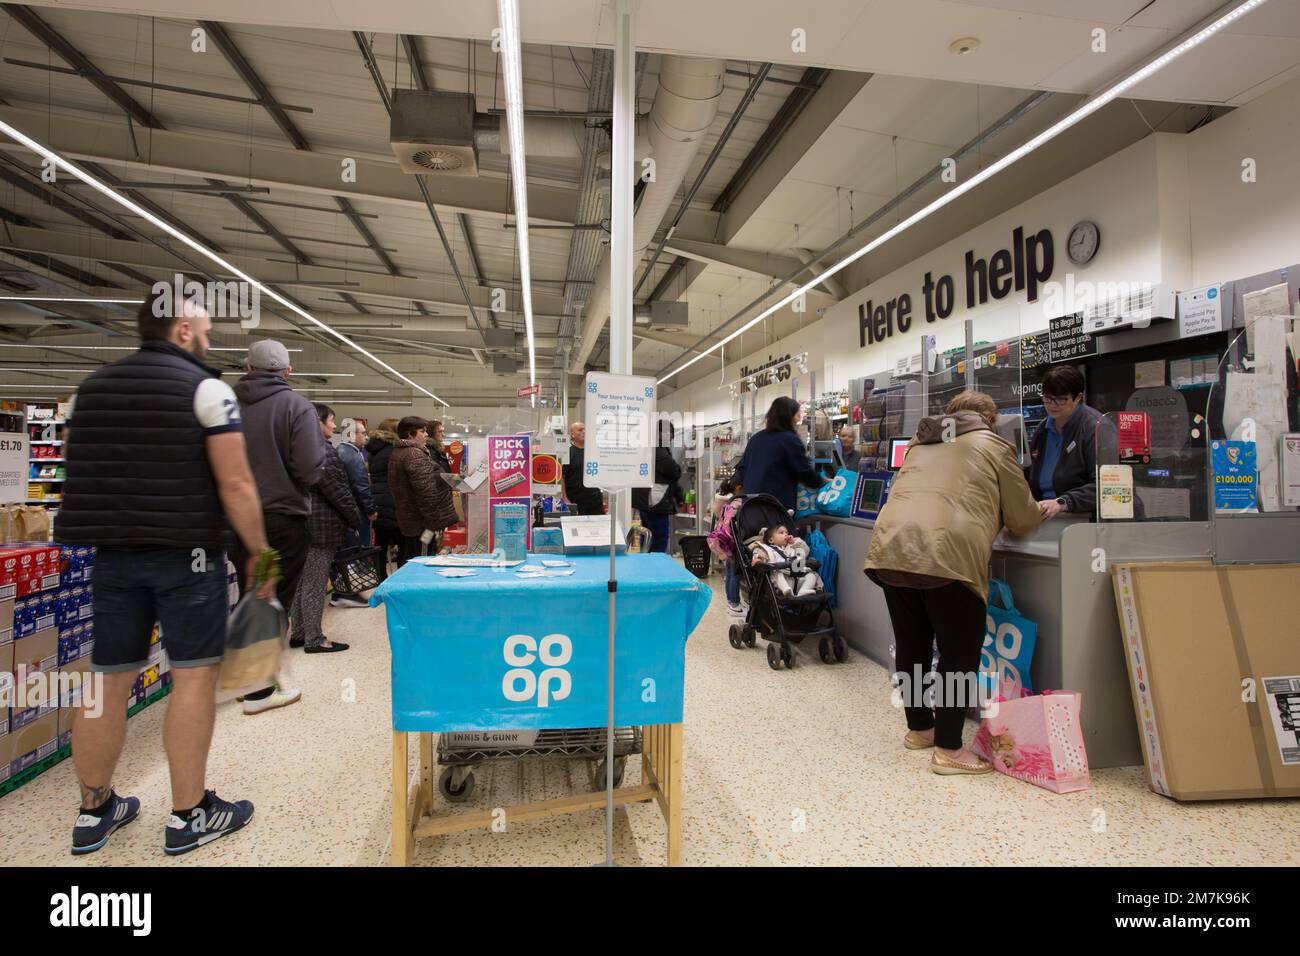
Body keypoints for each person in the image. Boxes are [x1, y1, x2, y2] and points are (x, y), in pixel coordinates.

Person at [55, 287, 274, 856]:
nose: (208, 337)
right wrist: (259, 553)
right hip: (187, 556)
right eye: (201, 326)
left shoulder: (88, 391)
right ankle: (188, 814)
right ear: (180, 330)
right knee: (193, 677)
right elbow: (235, 483)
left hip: (114, 559)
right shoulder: (205, 390)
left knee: (107, 680)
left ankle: (93, 809)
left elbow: (83, 470)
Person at [865, 390, 1041, 777]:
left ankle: (920, 729)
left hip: (892, 548)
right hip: (947, 556)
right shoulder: (994, 446)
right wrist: (1040, 508)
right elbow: (1022, 518)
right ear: (989, 420)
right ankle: (948, 748)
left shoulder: (920, 444)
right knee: (958, 655)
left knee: (911, 645)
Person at [232, 339, 320, 704]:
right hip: (282, 514)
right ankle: (261, 689)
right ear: (288, 371)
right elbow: (310, 466)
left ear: (248, 367)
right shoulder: (296, 406)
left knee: (249, 591)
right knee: (276, 597)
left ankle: (247, 679)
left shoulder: (227, 405)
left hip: (236, 517)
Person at [289, 405, 360, 652]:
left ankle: (299, 632)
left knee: (303, 582)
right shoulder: (322, 451)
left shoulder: (297, 446)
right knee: (315, 584)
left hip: (302, 523)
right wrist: (354, 518)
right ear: (317, 422)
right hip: (321, 526)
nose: (333, 426)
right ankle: (314, 639)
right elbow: (338, 492)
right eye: (330, 421)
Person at [1027, 365, 1105, 520]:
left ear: (1078, 398)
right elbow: (1029, 474)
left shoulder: (1095, 427)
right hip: (1052, 522)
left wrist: (1063, 502)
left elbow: (1107, 486)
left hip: (1088, 523)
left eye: (1061, 399)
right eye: (1048, 398)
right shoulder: (1043, 429)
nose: (1053, 405)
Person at [732, 396, 826, 513]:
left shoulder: (756, 438)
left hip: (750, 505)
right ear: (789, 416)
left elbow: (741, 468)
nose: (798, 420)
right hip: (775, 506)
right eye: (797, 415)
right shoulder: (789, 439)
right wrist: (823, 482)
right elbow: (804, 471)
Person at [389, 416, 458, 565]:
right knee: (423, 556)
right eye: (422, 431)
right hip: (423, 522)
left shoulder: (401, 452)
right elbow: (425, 491)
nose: (426, 434)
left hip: (411, 519)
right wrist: (433, 522)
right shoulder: (414, 455)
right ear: (409, 434)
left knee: (411, 554)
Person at [331, 417, 377, 608]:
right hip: (354, 512)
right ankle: (350, 593)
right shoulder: (351, 455)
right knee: (355, 551)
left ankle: (342, 590)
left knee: (344, 553)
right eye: (363, 433)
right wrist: (371, 509)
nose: (366, 437)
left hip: (342, 512)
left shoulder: (340, 452)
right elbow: (360, 486)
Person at [633, 419, 682, 553]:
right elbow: (673, 470)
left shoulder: (650, 447)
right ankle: (657, 571)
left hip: (648, 500)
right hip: (656, 501)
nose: (670, 436)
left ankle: (645, 567)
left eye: (671, 433)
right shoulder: (657, 450)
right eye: (667, 432)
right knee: (658, 539)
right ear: (658, 433)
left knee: (647, 536)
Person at [367, 418, 401, 581]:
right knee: (403, 543)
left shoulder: (374, 450)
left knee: (381, 543)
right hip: (393, 500)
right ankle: (401, 579)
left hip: (377, 499)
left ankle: (380, 577)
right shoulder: (393, 451)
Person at [750, 524, 822, 596]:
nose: (786, 535)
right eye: (781, 533)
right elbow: (760, 554)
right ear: (771, 540)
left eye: (787, 533)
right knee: (776, 573)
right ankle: (786, 590)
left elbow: (805, 551)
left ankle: (804, 590)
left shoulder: (791, 547)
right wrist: (758, 559)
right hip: (781, 579)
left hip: (797, 577)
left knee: (812, 575)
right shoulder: (768, 549)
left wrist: (795, 541)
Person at [708, 477, 746, 617]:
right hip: (733, 541)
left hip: (724, 540)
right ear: (738, 488)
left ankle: (731, 602)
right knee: (734, 573)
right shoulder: (737, 502)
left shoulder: (723, 500)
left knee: (729, 572)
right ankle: (735, 604)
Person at [563, 421, 604, 515]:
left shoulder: (594, 452)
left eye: (585, 429)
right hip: (575, 499)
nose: (584, 432)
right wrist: (565, 498)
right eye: (580, 430)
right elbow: (562, 477)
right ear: (572, 434)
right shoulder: (567, 453)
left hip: (594, 499)